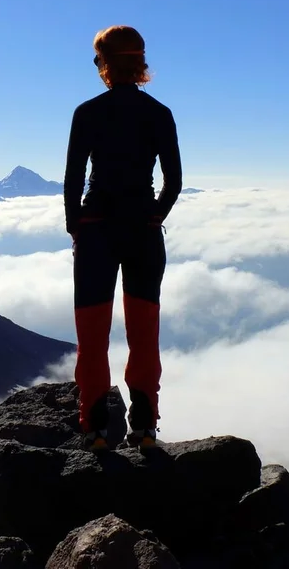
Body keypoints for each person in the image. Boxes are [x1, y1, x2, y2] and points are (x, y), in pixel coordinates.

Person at [64, 25, 182, 452]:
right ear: (140, 63)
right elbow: (173, 182)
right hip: (143, 233)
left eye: (98, 60)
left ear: (107, 64)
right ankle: (145, 428)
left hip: (97, 231)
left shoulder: (88, 112)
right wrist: (154, 217)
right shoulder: (159, 114)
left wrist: (75, 226)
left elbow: (73, 180)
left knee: (92, 334)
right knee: (143, 330)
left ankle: (94, 430)